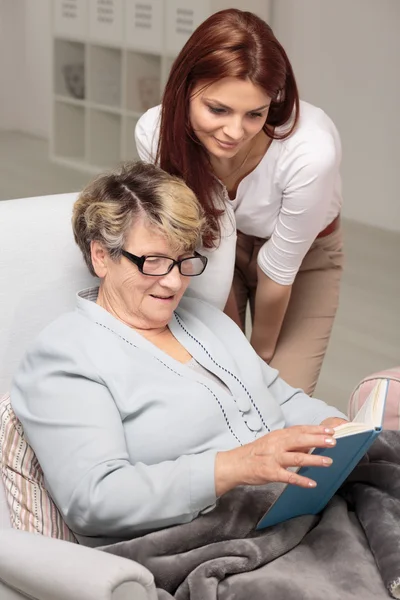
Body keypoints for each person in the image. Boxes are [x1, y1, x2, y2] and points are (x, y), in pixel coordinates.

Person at [11, 162, 347, 543]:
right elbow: (94, 500)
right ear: (102, 256)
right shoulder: (65, 357)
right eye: (153, 262)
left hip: (292, 509)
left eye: (184, 259)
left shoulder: (205, 319)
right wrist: (231, 467)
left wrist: (337, 428)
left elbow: (279, 396)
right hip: (197, 545)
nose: (173, 281)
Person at [135, 9, 343, 396]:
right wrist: (233, 354)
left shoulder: (310, 152)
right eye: (217, 109)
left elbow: (279, 273)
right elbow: (198, 242)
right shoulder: (155, 132)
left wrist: (257, 358)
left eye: (255, 114)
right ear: (185, 89)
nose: (234, 132)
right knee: (215, 382)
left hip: (304, 257)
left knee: (283, 397)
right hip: (212, 247)